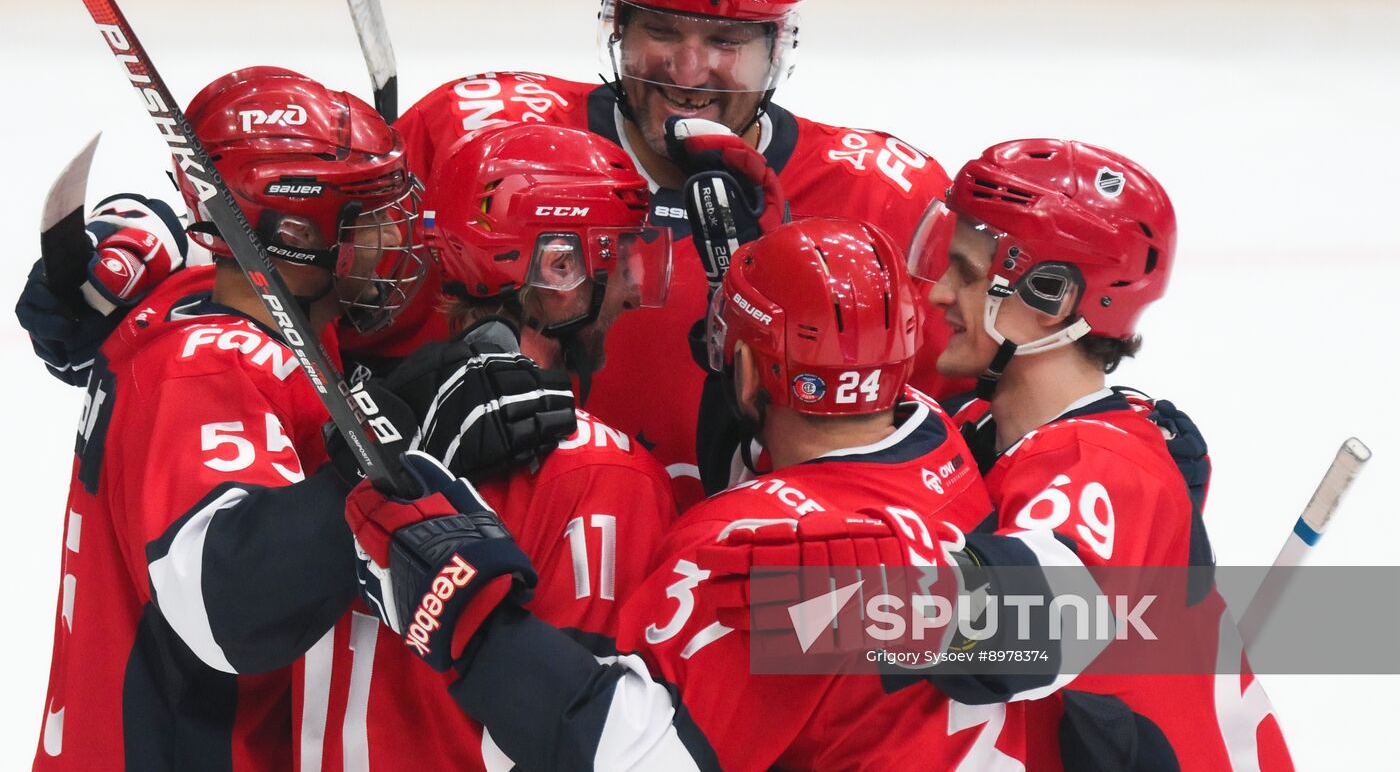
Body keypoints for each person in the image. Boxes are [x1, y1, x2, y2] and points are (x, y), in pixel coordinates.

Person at [343, 218, 1090, 770]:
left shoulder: (750, 557)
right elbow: (1094, 616)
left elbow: (628, 755)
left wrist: (463, 610)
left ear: (745, 372)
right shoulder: (943, 443)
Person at [385, 0, 962, 499]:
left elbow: (942, 435)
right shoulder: (474, 142)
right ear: (619, 28)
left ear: (776, 49)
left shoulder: (883, 201)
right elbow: (347, 340)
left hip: (751, 570)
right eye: (661, 30)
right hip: (514, 563)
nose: (689, 73)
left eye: (725, 40)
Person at [32, 66, 428, 771]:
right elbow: (229, 607)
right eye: (366, 216)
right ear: (294, 232)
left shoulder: (231, 311)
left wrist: (142, 220)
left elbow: (197, 246)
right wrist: (365, 471)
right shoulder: (208, 373)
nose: (393, 236)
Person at [296, 122, 679, 770]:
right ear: (560, 266)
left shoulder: (352, 427)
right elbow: (600, 735)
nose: (637, 285)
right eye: (621, 251)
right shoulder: (609, 472)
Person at [904, 138, 1294, 770]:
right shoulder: (980, 428)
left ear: (1050, 298)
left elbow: (1012, 632)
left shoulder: (1108, 466)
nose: (939, 294)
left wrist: (804, 606)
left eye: (967, 275)